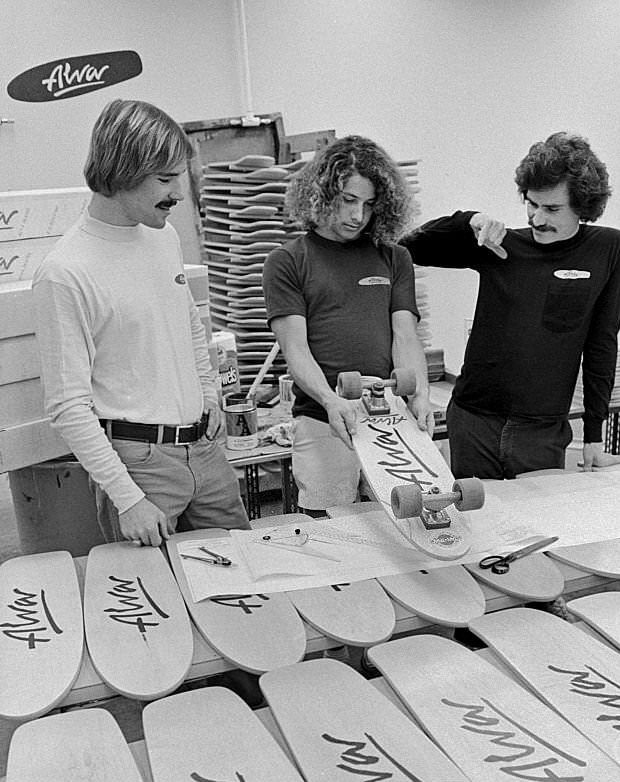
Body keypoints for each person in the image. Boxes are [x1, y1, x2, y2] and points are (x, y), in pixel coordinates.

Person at [33, 98, 250, 546]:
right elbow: (67, 406)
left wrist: (208, 394)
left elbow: (188, 322)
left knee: (243, 578)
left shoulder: (163, 237)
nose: (181, 193)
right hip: (140, 464)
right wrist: (127, 498)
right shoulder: (65, 273)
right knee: (157, 603)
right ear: (122, 169)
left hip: (205, 448)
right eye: (166, 179)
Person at [400, 132, 620, 480]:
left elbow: (602, 343)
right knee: (476, 526)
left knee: (541, 526)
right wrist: (469, 220)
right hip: (473, 422)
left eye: (552, 208)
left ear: (583, 207)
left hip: (541, 431)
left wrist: (594, 433)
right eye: (531, 204)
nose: (537, 219)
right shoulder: (500, 246)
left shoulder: (609, 248)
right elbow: (408, 248)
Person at [262, 135, 434, 514]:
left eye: (369, 204)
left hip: (389, 417)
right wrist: (330, 399)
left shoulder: (394, 258)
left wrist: (419, 393)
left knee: (404, 521)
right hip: (322, 419)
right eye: (348, 201)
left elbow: (405, 336)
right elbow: (296, 349)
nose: (358, 216)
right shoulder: (287, 262)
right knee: (331, 530)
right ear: (321, 195)